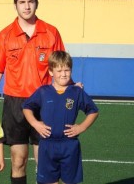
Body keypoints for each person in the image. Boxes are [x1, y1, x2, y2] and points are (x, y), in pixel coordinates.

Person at [0, 0, 67, 184]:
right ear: (15, 5)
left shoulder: (51, 32)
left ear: (37, 4)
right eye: (22, 2)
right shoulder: (4, 35)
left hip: (45, 104)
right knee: (18, 161)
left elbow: (61, 69)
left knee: (45, 163)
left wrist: (73, 90)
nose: (27, 6)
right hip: (15, 105)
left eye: (30, 1)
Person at [22, 51, 99, 184]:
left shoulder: (76, 92)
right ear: (51, 72)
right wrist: (35, 123)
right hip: (47, 144)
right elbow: (27, 107)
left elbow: (93, 111)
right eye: (59, 70)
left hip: (69, 145)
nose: (63, 74)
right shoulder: (43, 91)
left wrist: (81, 127)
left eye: (67, 70)